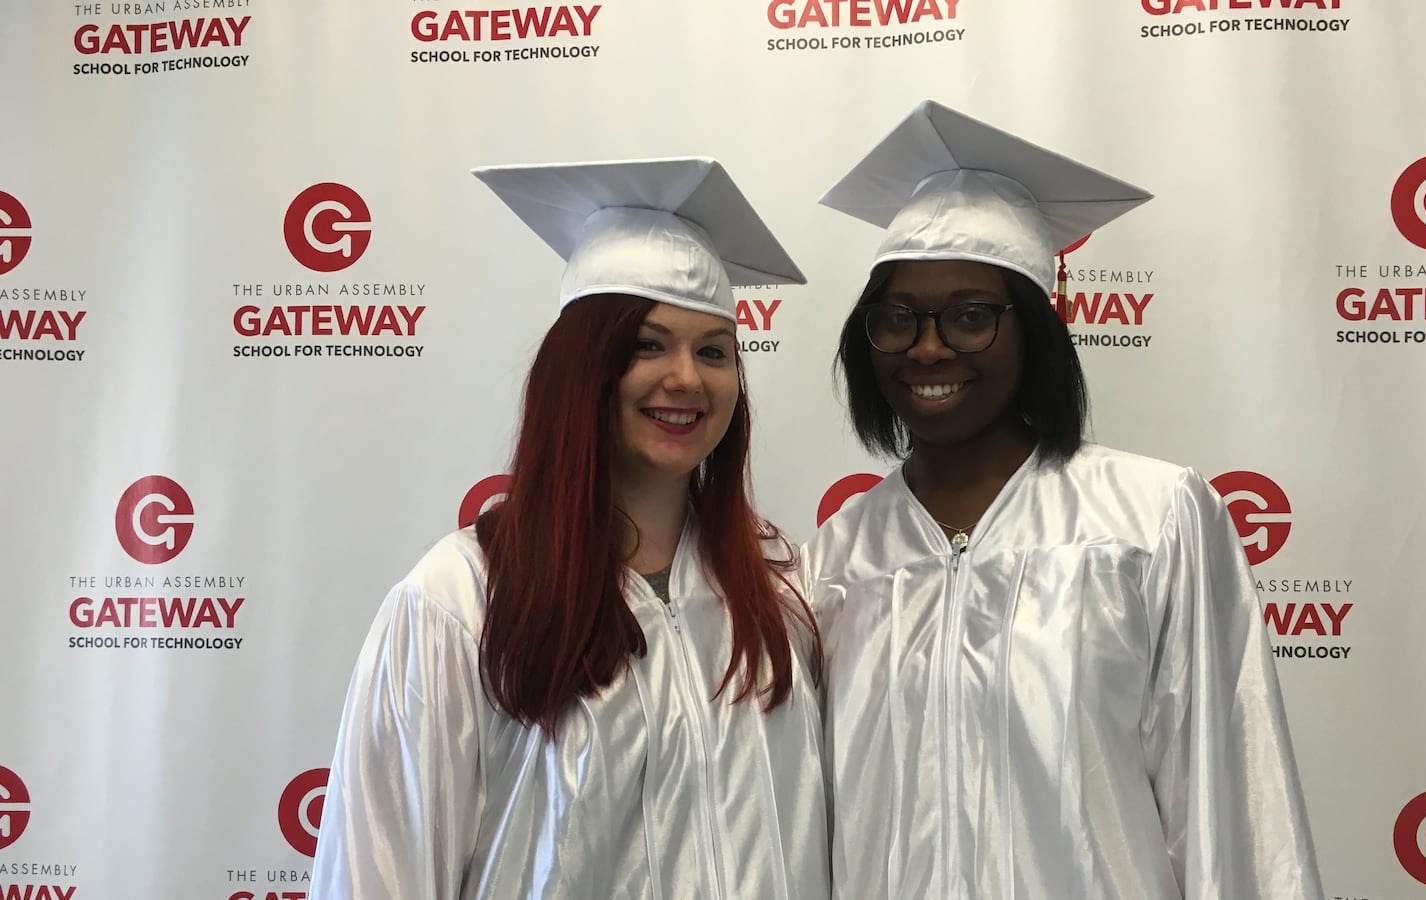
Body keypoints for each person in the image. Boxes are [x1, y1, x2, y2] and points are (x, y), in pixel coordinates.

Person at [803, 100, 1324, 900]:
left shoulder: (1154, 519)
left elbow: (1231, 802)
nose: (929, 347)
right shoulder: (835, 561)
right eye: (897, 318)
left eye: (972, 317)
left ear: (1038, 329)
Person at [310, 157, 830, 899]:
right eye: (647, 344)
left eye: (714, 351)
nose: (686, 377)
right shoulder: (462, 600)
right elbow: (379, 874)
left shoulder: (779, 584)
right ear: (582, 369)